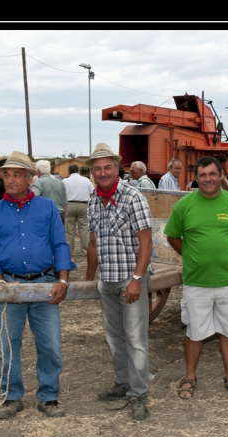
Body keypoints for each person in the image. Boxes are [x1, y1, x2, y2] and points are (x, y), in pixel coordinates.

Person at [0, 151, 76, 420]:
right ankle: (11, 396)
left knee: (50, 345)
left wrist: (63, 279)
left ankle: (48, 397)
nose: (10, 180)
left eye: (16, 174)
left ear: (30, 178)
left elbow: (60, 244)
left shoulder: (47, 208)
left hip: (45, 285)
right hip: (9, 287)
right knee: (8, 344)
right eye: (6, 175)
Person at [164, 156, 228, 400]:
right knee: (195, 331)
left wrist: (226, 254)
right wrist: (191, 254)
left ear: (220, 176)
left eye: (212, 174)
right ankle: (190, 377)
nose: (207, 179)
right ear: (196, 177)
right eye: (202, 175)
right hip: (196, 282)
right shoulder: (184, 206)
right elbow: (172, 236)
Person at [86, 143, 153, 421]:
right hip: (107, 281)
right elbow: (92, 244)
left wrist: (137, 279)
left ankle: (138, 394)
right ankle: (123, 382)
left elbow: (146, 242)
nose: (102, 172)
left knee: (136, 339)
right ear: (92, 172)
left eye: (107, 167)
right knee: (114, 338)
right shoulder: (93, 200)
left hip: (129, 279)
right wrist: (90, 278)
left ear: (117, 168)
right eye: (97, 168)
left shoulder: (132, 197)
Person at [62, 163, 94, 256]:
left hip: (69, 205)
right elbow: (92, 194)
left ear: (69, 172)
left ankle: (69, 251)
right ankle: (85, 251)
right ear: (78, 171)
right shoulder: (86, 180)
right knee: (83, 229)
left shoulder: (64, 181)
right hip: (83, 204)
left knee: (69, 230)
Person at [31, 160, 68, 225]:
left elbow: (34, 199)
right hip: (59, 215)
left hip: (44, 215)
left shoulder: (39, 183)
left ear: (38, 171)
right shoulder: (60, 183)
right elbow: (65, 203)